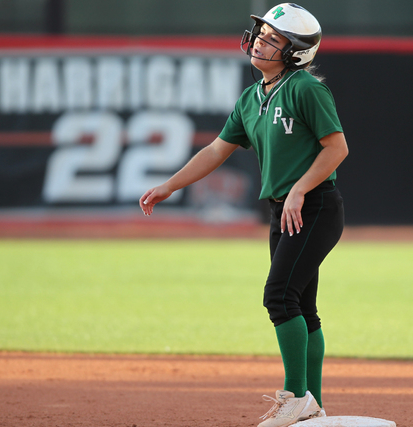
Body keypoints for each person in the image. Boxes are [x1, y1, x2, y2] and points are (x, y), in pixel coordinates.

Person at [139, 3, 348, 426]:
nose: (259, 41)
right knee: (303, 307)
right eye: (260, 33)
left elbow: (337, 148)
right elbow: (217, 150)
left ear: (296, 52)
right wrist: (169, 185)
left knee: (279, 297)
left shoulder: (305, 88)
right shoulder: (253, 97)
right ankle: (314, 409)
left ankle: (297, 397)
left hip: (316, 205)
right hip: (286, 209)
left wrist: (300, 190)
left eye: (273, 38)